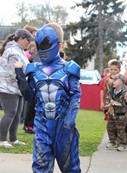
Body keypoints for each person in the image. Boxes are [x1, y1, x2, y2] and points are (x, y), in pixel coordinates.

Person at [14, 22, 81, 173]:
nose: (43, 48)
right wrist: (19, 75)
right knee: (41, 167)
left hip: (63, 126)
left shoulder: (69, 69)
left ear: (58, 44)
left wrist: (70, 119)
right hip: (42, 126)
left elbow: (75, 94)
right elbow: (29, 97)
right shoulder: (34, 70)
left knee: (70, 167)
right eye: (40, 44)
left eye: (46, 43)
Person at [0, 29, 34, 148]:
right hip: (8, 87)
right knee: (10, 113)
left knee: (17, 113)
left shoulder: (20, 50)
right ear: (20, 39)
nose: (29, 42)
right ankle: (2, 139)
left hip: (17, 87)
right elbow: (13, 71)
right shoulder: (12, 51)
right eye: (28, 40)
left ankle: (13, 139)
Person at [104, 74, 127, 151]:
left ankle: (122, 143)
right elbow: (108, 99)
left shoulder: (125, 92)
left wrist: (126, 100)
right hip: (112, 113)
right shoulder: (111, 91)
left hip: (121, 114)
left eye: (115, 80)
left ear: (121, 82)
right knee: (110, 127)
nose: (113, 82)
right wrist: (108, 105)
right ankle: (112, 141)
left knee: (121, 129)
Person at [22, 25, 39, 134]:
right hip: (31, 80)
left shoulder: (35, 53)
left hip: (35, 80)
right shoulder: (28, 54)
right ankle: (28, 125)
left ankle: (30, 124)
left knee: (33, 104)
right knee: (31, 104)